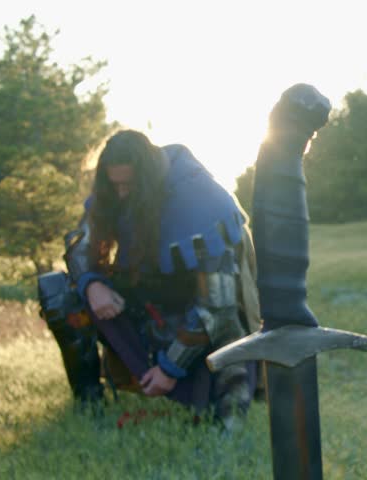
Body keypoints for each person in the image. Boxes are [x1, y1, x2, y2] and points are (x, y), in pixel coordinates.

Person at [61, 129, 260, 428]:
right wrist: (92, 283)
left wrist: (169, 370)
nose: (121, 194)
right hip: (150, 312)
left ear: (146, 180)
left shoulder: (200, 203)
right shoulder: (116, 192)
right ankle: (90, 405)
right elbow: (81, 245)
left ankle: (223, 414)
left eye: (127, 185)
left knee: (227, 360)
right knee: (58, 293)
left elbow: (216, 309)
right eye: (115, 185)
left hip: (199, 329)